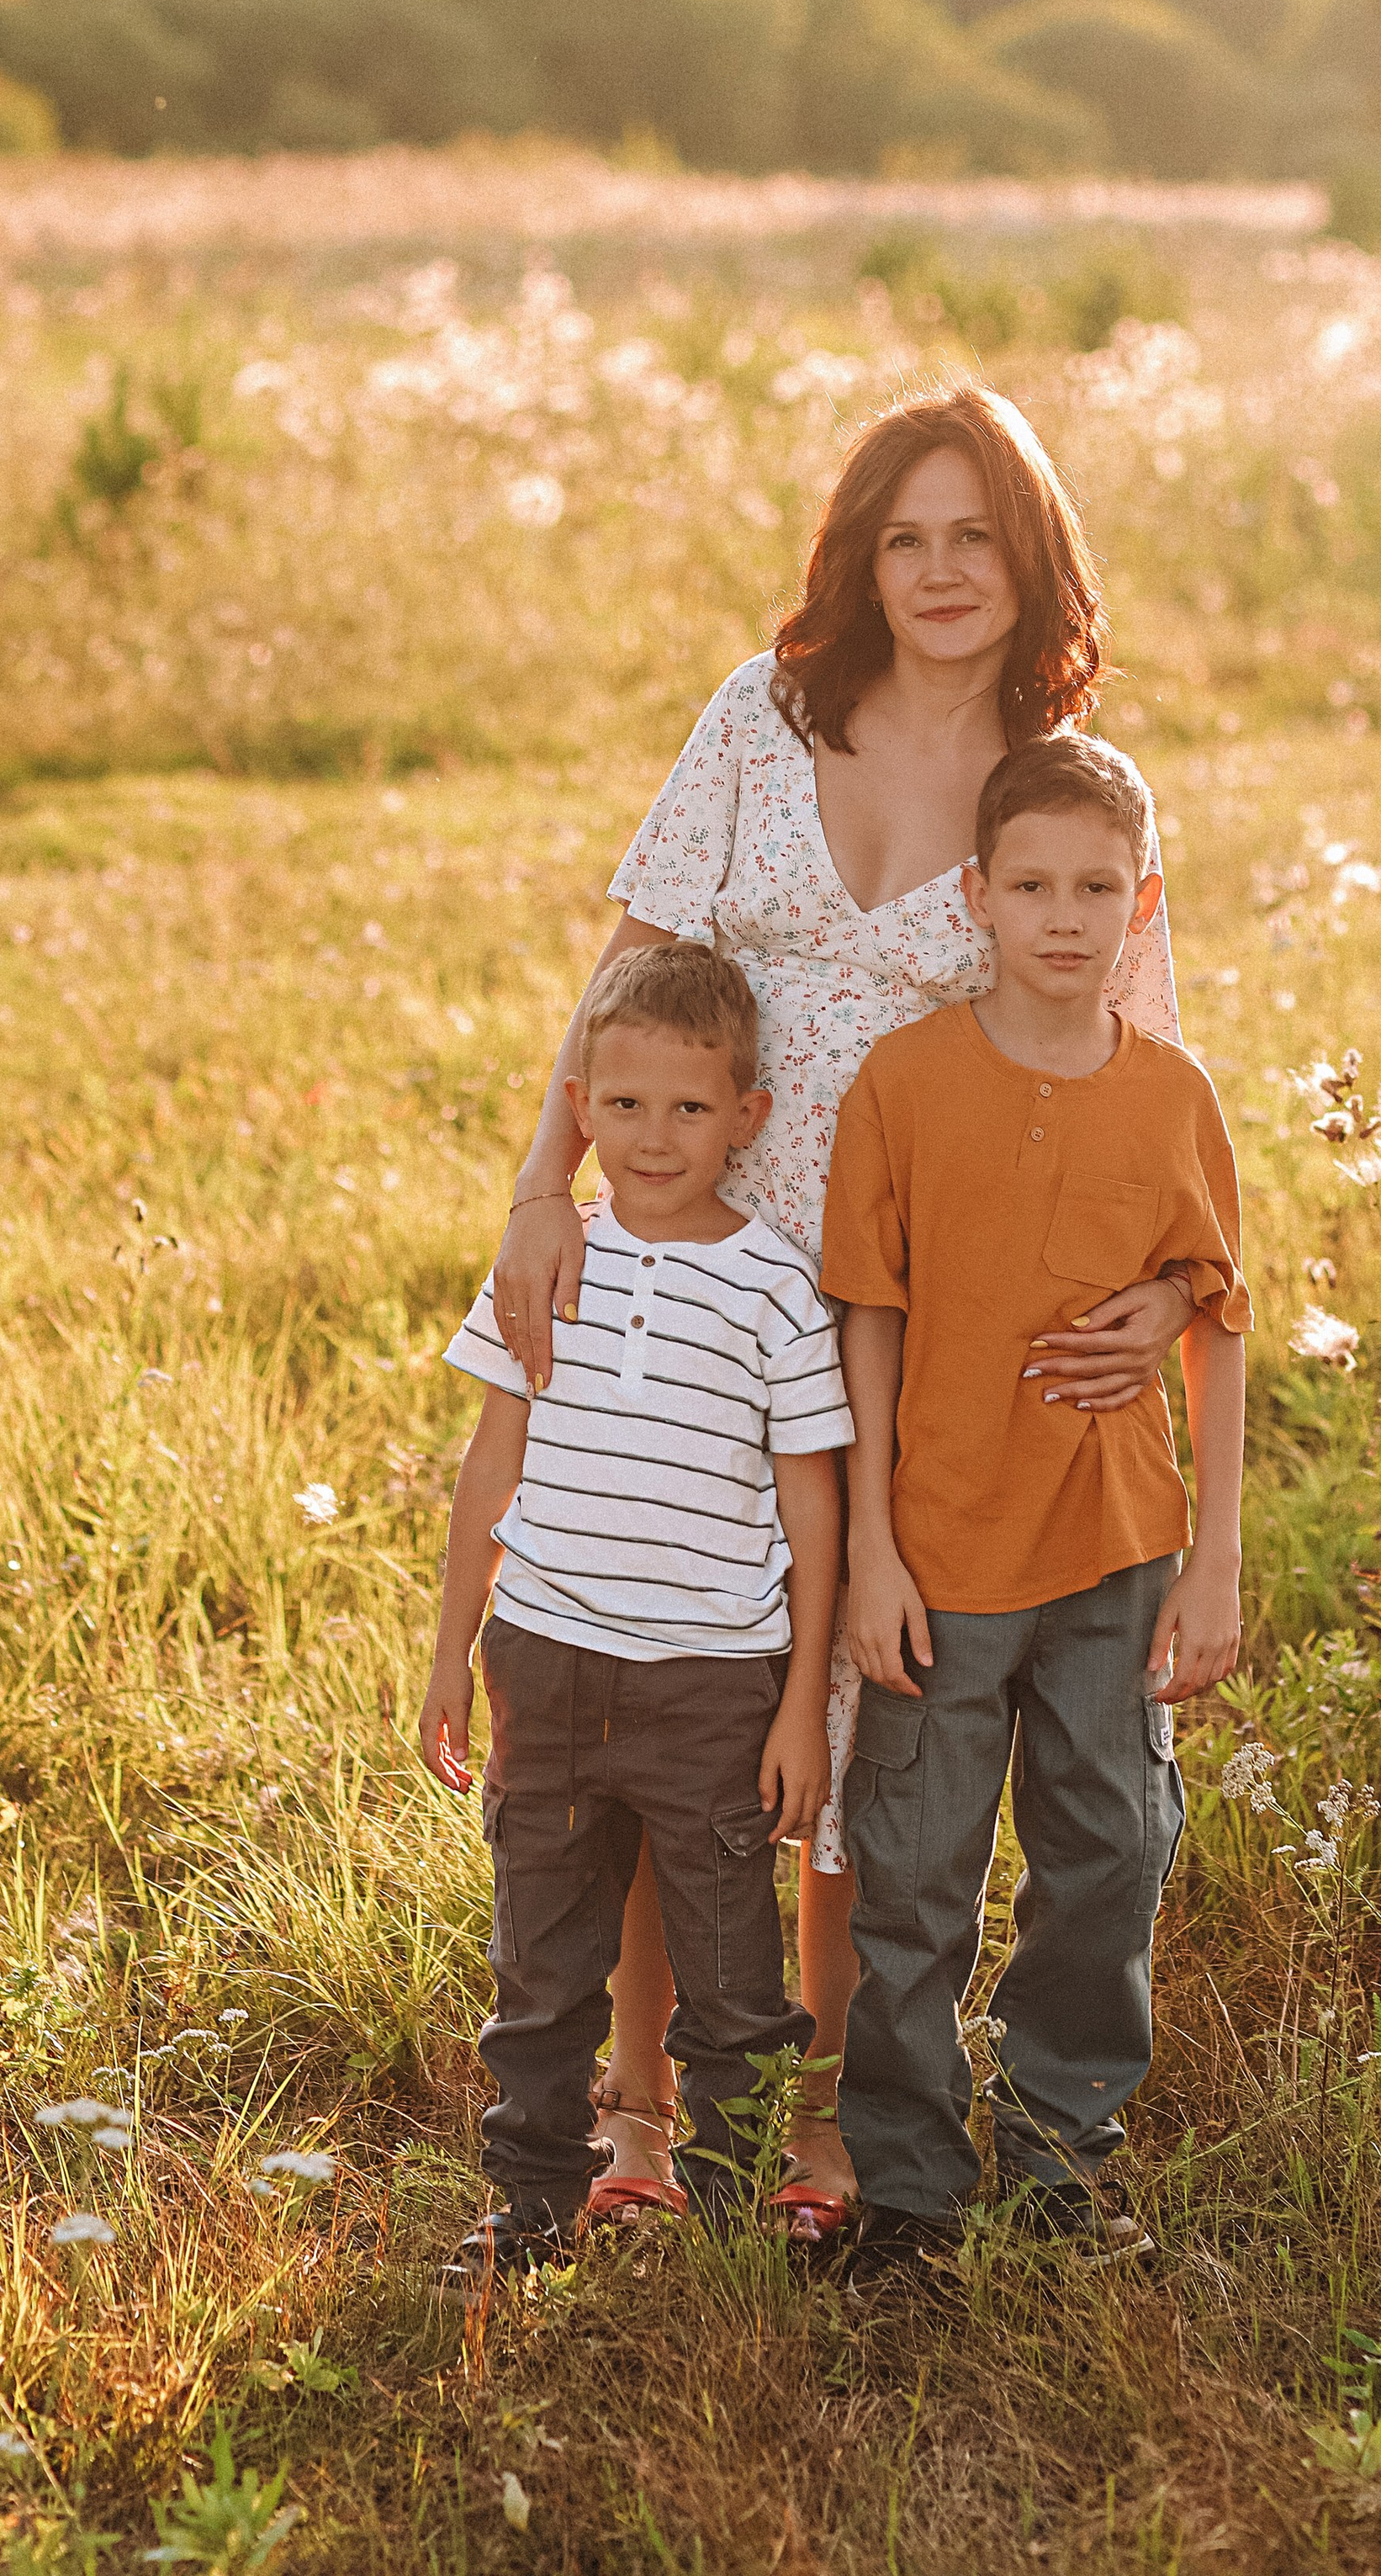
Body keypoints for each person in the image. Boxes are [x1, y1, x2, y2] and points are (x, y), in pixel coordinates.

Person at [486, 382, 1193, 2237]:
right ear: (858, 558)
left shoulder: (1062, 781)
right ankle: (637, 2117)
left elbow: (1137, 1059)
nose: (943, 571)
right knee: (676, 1683)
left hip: (916, 1312)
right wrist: (536, 1182)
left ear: (1028, 557)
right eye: (906, 536)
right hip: (693, 1262)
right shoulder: (765, 711)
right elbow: (634, 960)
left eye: (977, 535)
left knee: (853, 1706)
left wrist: (1146, 1299)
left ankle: (806, 2120)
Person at [823, 732, 1249, 2271]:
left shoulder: (1174, 1096)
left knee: (1107, 1858)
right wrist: (871, 1546)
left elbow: (1217, 1319)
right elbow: (867, 1315)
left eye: (1098, 886)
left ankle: (1065, 2160)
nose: (1065, 915)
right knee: (914, 1876)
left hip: (1118, 1549)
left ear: (1144, 904)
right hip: (938, 1552)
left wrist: (1218, 1561)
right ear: (976, 897)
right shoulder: (909, 1079)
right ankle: (910, 2195)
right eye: (1032, 885)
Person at [420, 942, 850, 2274]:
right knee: (540, 1969)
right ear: (578, 1106)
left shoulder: (777, 1288)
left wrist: (799, 1710)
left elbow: (813, 1517)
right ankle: (531, 2213)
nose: (652, 1139)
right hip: (544, 1666)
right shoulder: (549, 1264)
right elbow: (488, 1463)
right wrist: (452, 1654)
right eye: (621, 1107)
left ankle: (729, 2226)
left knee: (733, 1983)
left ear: (749, 1119)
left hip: (712, 1683)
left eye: (688, 1110)